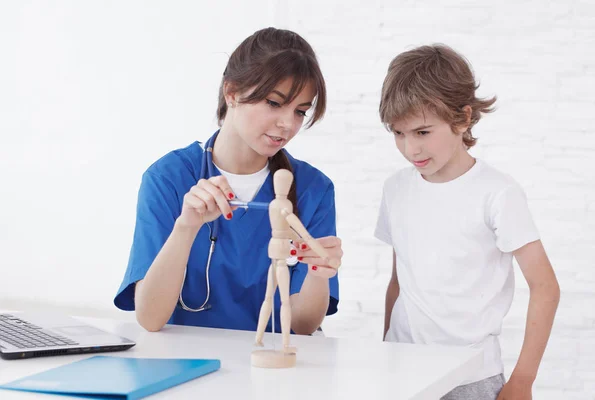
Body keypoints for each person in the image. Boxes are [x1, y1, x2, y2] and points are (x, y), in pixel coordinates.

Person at [114, 27, 343, 337]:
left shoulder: (313, 189)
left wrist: (319, 274)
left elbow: (302, 328)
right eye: (274, 104)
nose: (288, 124)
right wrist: (186, 227)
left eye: (300, 111)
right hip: (188, 365)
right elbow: (150, 319)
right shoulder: (169, 178)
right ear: (232, 92)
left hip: (275, 368)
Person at [375, 44, 560, 399]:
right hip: (402, 372)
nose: (410, 149)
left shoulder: (498, 193)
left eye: (423, 132)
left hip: (470, 379)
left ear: (462, 118)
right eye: (398, 133)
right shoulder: (396, 189)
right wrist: (386, 352)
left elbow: (546, 288)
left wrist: (522, 381)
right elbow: (399, 281)